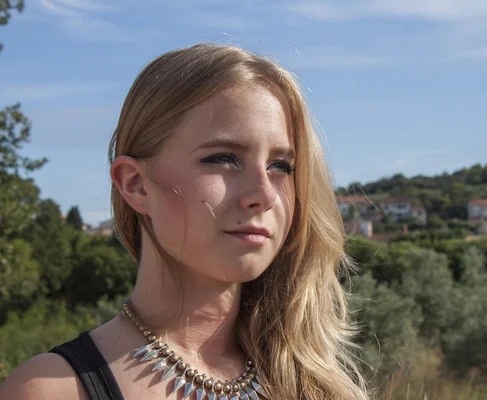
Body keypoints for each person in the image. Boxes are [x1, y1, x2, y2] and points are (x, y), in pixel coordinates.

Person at [0, 43, 371, 400]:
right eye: (223, 158)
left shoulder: (312, 383)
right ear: (136, 184)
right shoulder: (54, 389)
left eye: (281, 166)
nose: (266, 194)